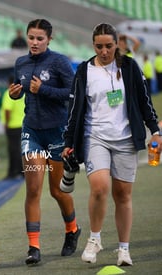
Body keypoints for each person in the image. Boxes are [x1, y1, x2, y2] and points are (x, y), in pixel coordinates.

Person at [63, 23, 162, 266]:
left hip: (126, 139)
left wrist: (156, 131)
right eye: (99, 46)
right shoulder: (84, 70)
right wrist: (68, 142)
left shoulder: (129, 66)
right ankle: (95, 239)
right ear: (93, 45)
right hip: (95, 136)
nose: (104, 51)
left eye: (109, 46)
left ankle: (124, 249)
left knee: (123, 195)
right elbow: (75, 108)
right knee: (99, 187)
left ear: (117, 44)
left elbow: (144, 100)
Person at [8, 18, 81, 265]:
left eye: (40, 38)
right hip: (32, 134)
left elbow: (73, 93)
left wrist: (44, 90)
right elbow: (20, 90)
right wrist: (14, 94)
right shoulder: (21, 63)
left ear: (50, 39)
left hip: (57, 135)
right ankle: (34, 247)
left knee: (57, 190)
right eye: (31, 37)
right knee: (33, 189)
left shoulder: (59, 62)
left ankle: (72, 229)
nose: (35, 42)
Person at [0, 76, 25, 180]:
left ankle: (14, 172)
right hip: (23, 123)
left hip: (13, 125)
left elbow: (7, 110)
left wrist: (6, 122)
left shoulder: (8, 93)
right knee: (22, 149)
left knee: (13, 149)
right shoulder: (23, 93)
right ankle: (22, 171)